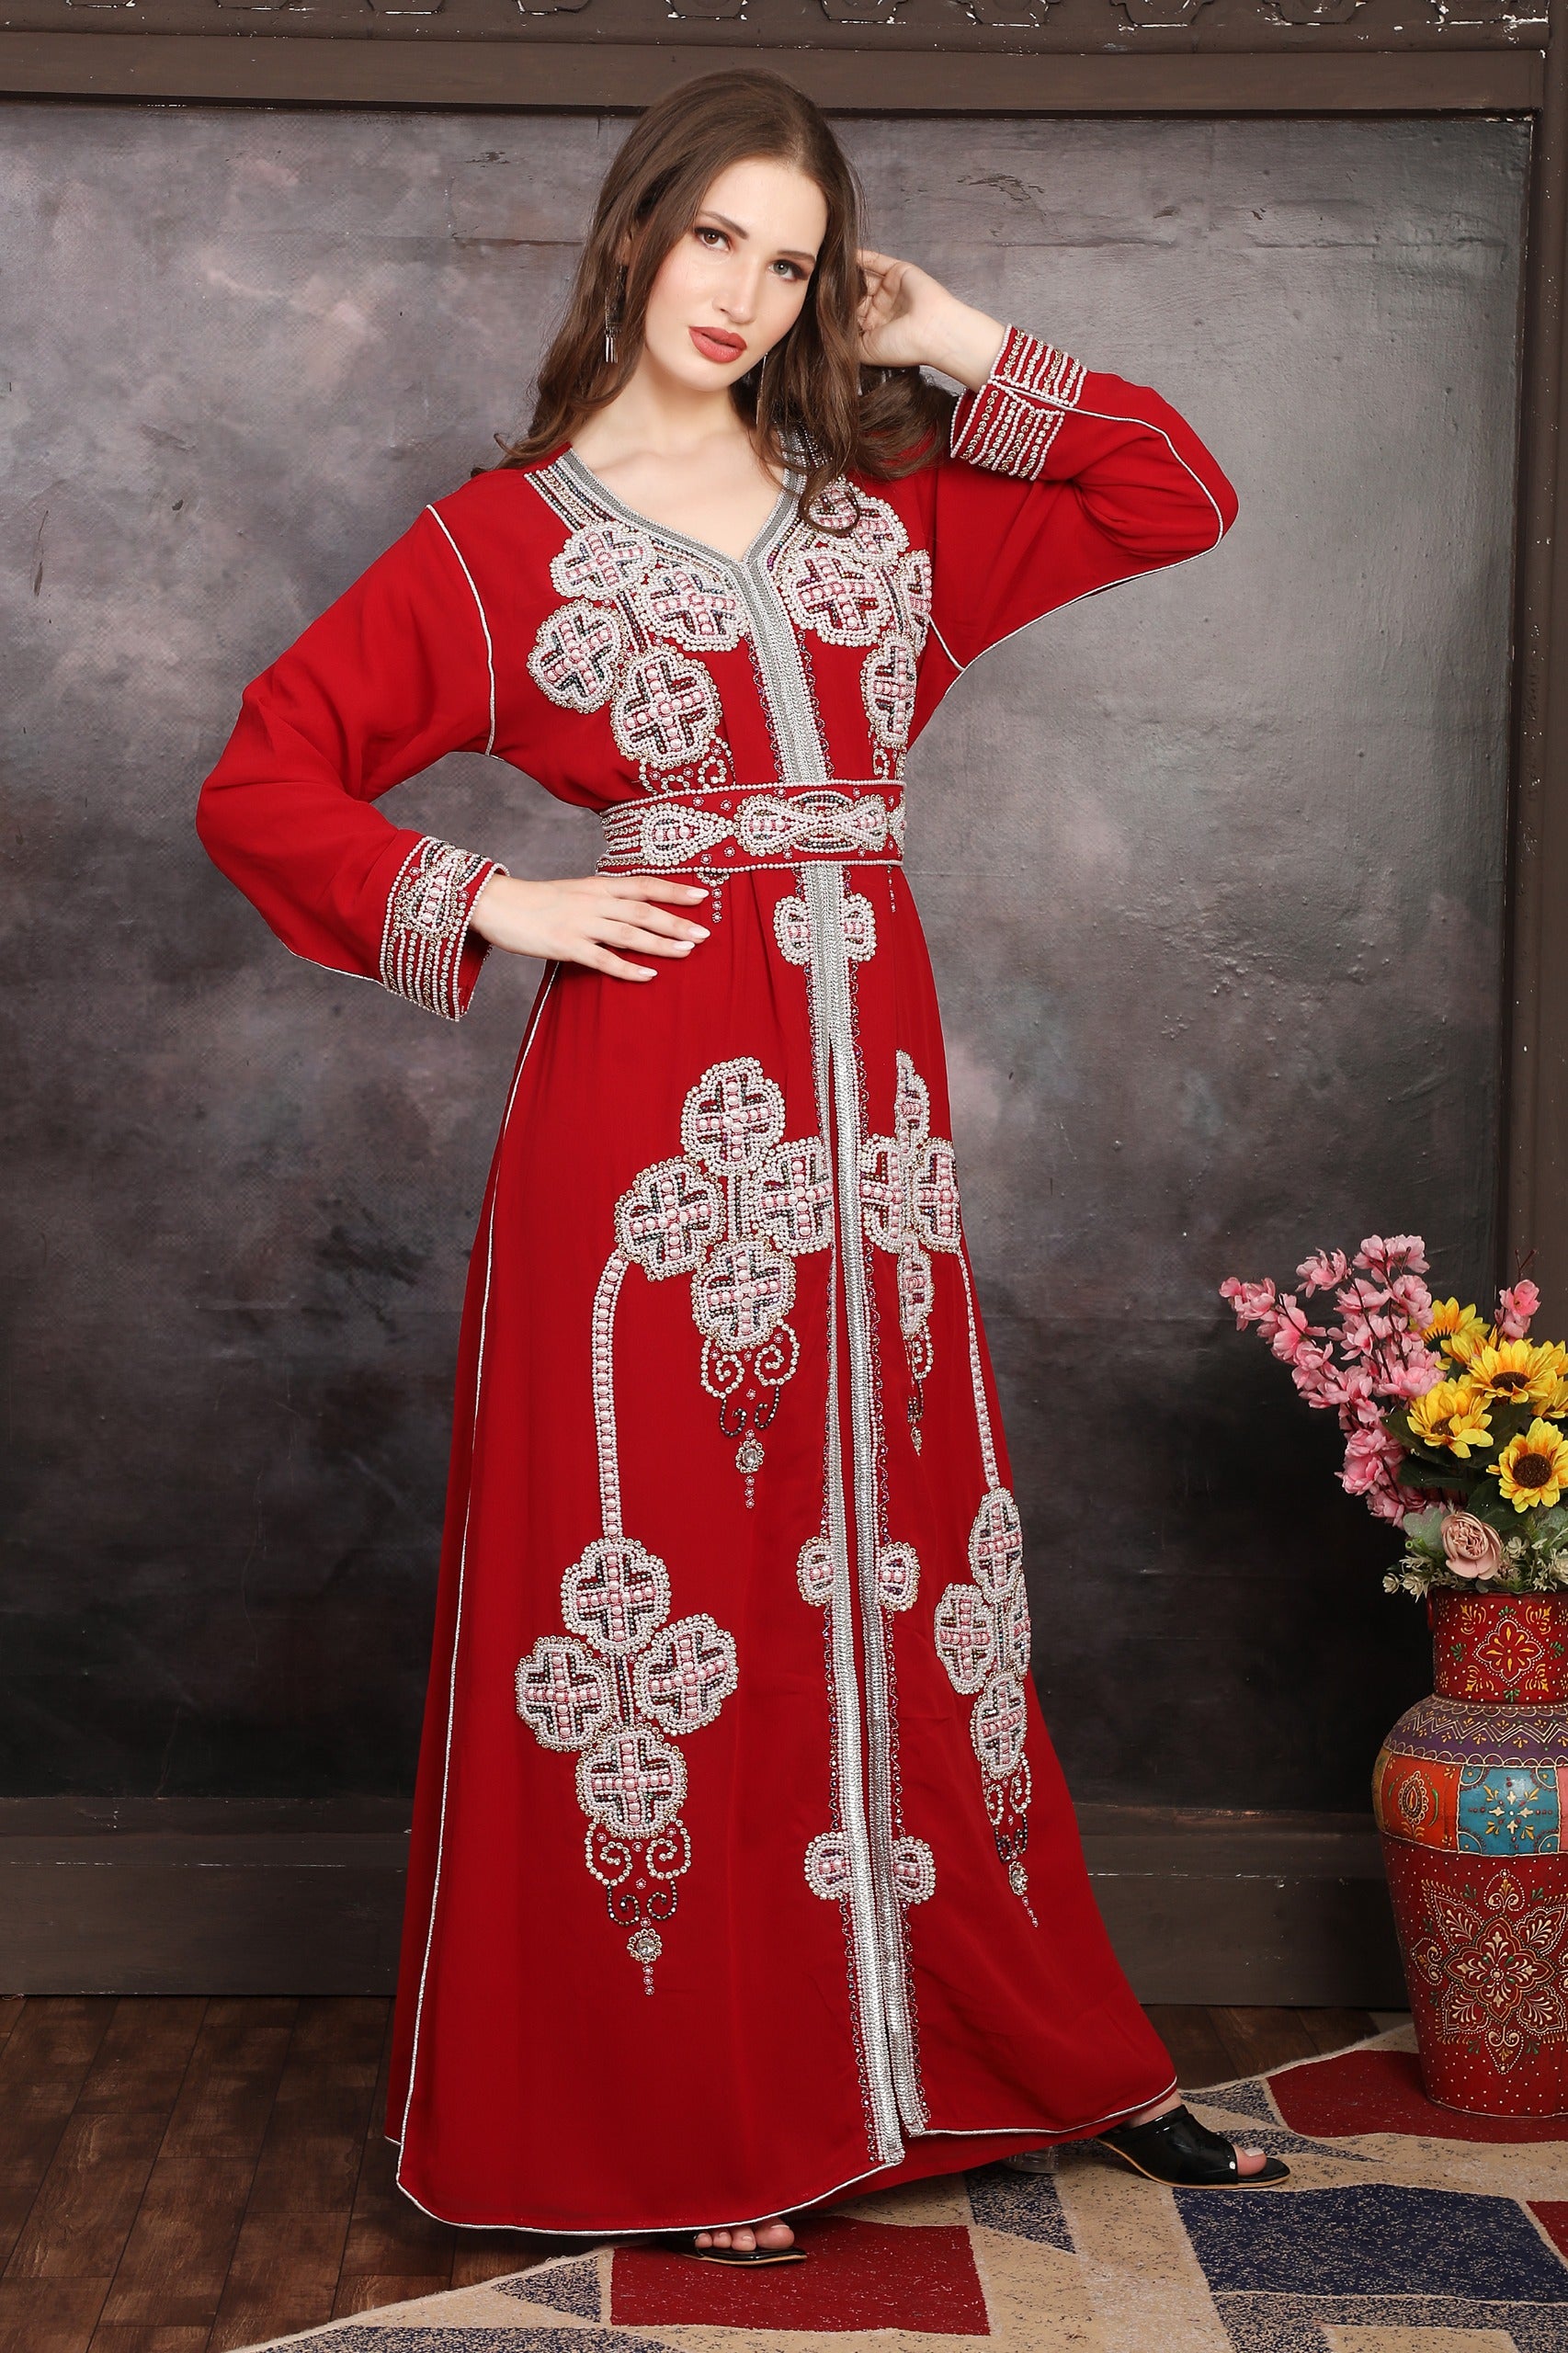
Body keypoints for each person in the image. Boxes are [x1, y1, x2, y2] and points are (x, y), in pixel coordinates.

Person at [197, 67, 1283, 2267]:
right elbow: (267, 776)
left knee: (911, 1591)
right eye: (716, 238)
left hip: (870, 1150)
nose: (744, 290)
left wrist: (960, 344)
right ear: (635, 234)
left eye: (791, 261)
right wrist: (503, 903)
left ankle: (1018, 2055)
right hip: (646, 1155)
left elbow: (1175, 494)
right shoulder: (494, 546)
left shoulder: (881, 517)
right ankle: (692, 2113)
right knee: (670, 1599)